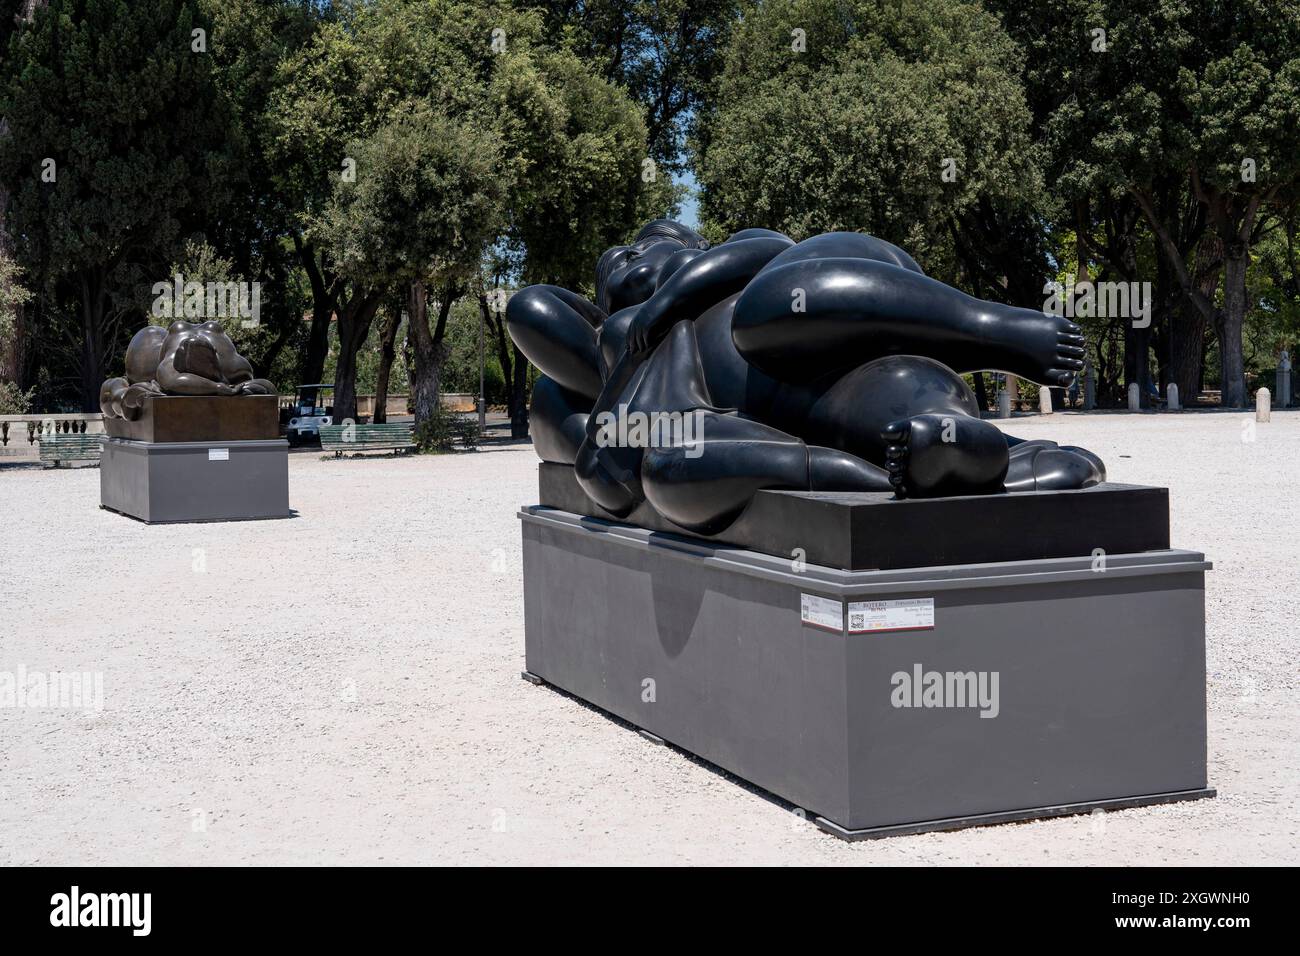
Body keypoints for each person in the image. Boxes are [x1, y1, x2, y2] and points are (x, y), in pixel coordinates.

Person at [507, 220, 1104, 534]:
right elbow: (608, 468)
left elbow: (767, 247)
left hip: (828, 302)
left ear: (691, 250)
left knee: (765, 311)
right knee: (879, 402)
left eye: (645, 249)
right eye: (616, 269)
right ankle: (959, 447)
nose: (629, 261)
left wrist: (670, 300)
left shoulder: (725, 270)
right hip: (823, 389)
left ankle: (997, 329)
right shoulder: (633, 341)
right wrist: (631, 345)